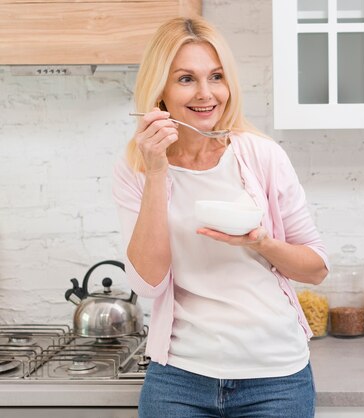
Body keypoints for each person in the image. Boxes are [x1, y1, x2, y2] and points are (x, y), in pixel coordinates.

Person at [112, 16, 329, 418]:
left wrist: (261, 241)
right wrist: (157, 171)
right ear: (159, 90)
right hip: (179, 377)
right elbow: (147, 282)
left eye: (216, 76)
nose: (206, 94)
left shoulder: (262, 156)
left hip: (275, 376)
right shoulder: (137, 168)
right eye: (186, 79)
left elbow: (316, 268)